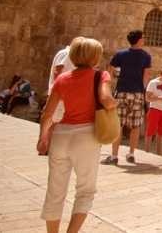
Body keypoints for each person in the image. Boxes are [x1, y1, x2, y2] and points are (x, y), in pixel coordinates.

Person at [36, 37, 116, 233]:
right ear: (94, 57)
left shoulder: (62, 79)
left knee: (55, 191)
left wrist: (43, 137)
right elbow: (106, 100)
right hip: (86, 136)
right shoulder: (100, 76)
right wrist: (115, 104)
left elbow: (47, 112)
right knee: (85, 191)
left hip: (62, 135)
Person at [101, 30, 151, 165]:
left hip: (122, 92)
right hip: (137, 94)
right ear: (139, 40)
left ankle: (114, 156)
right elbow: (146, 76)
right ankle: (131, 154)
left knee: (118, 124)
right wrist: (143, 91)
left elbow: (109, 70)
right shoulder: (146, 56)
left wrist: (110, 85)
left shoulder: (120, 54)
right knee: (135, 126)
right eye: (143, 38)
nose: (144, 39)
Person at [143, 68, 162, 155]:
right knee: (150, 131)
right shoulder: (153, 83)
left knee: (161, 133)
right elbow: (147, 98)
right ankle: (146, 152)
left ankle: (159, 154)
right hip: (154, 109)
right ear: (160, 74)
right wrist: (159, 98)